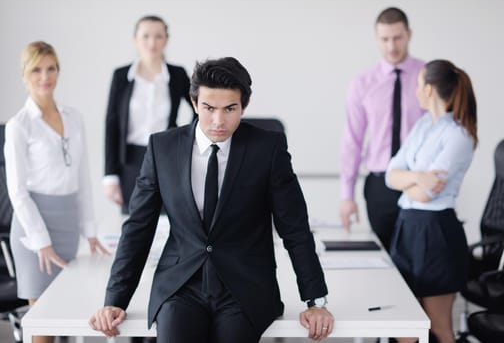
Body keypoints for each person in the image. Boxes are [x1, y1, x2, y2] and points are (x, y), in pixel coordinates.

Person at [89, 57, 334, 343]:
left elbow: (294, 228)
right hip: (180, 286)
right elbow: (138, 228)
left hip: (244, 287)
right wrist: (115, 299)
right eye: (208, 108)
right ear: (194, 103)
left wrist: (315, 302)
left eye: (230, 109)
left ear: (244, 105)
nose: (218, 120)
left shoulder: (268, 149)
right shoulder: (162, 148)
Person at [4, 41, 108, 343]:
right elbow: (17, 192)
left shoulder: (73, 117)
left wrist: (90, 232)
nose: (44, 76)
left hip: (67, 226)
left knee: (69, 319)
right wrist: (42, 242)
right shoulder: (18, 126)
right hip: (34, 233)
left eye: (51, 68)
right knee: (43, 329)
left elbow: (83, 178)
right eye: (36, 69)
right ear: (24, 74)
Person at [386, 60, 477, 343]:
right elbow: (390, 175)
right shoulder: (424, 124)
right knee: (404, 329)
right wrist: (418, 177)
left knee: (438, 327)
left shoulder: (459, 135)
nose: (415, 89)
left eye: (418, 84)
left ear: (428, 88)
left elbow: (427, 194)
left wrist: (409, 183)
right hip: (408, 229)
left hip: (436, 234)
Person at [340, 7, 425, 250]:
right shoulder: (362, 84)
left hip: (418, 181)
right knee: (387, 257)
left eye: (397, 37)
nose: (391, 46)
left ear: (409, 34)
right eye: (384, 39)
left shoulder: (428, 76)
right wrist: (347, 196)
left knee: (419, 258)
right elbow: (352, 141)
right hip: (380, 184)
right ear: (377, 39)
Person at [104, 15, 195, 214]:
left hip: (166, 157)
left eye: (158, 36)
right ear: (135, 40)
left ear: (166, 40)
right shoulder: (121, 76)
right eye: (145, 36)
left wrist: (186, 139)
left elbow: (200, 109)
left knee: (168, 218)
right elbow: (111, 125)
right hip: (130, 161)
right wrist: (110, 175)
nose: (152, 42)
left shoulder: (177, 74)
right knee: (134, 222)